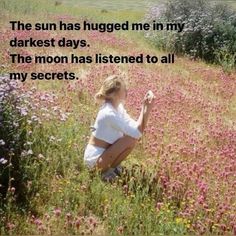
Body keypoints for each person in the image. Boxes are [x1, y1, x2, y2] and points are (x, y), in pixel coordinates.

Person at [83, 74, 155, 181]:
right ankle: (105, 173)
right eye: (124, 88)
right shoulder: (109, 113)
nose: (126, 90)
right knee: (130, 139)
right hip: (94, 161)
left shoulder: (118, 108)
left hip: (103, 155)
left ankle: (111, 168)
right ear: (115, 94)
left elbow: (135, 127)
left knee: (130, 138)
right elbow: (137, 133)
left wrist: (144, 108)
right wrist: (146, 109)